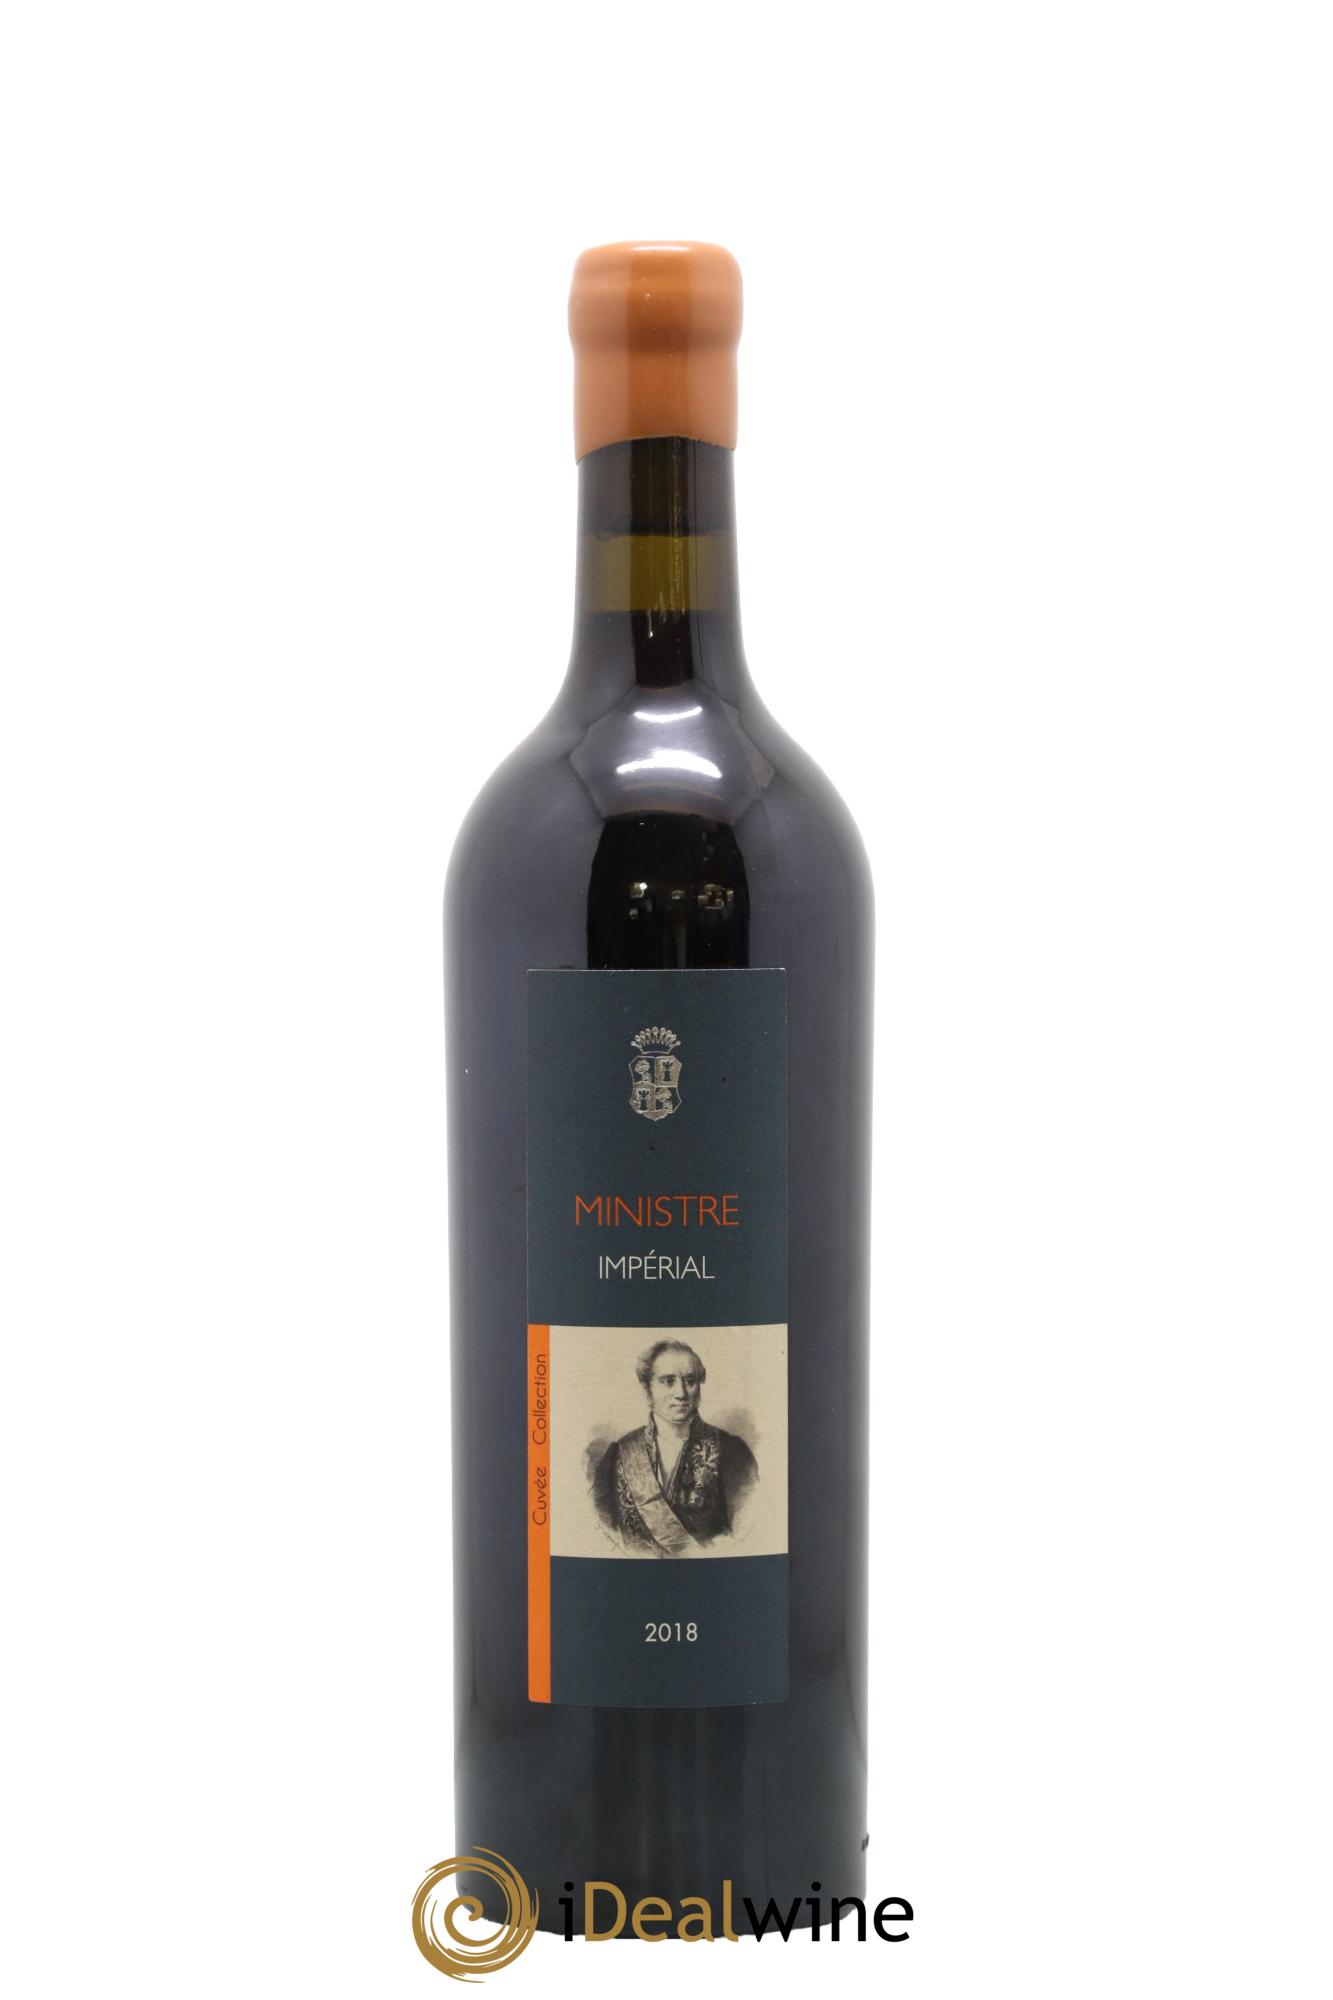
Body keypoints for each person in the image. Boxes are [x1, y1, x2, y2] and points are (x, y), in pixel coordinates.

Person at [591, 1339, 757, 1557]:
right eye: (668, 1381)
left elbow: (748, 1536)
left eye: (690, 1381)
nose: (681, 1392)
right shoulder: (618, 1455)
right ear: (647, 1391)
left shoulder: (732, 1451)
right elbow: (603, 1534)